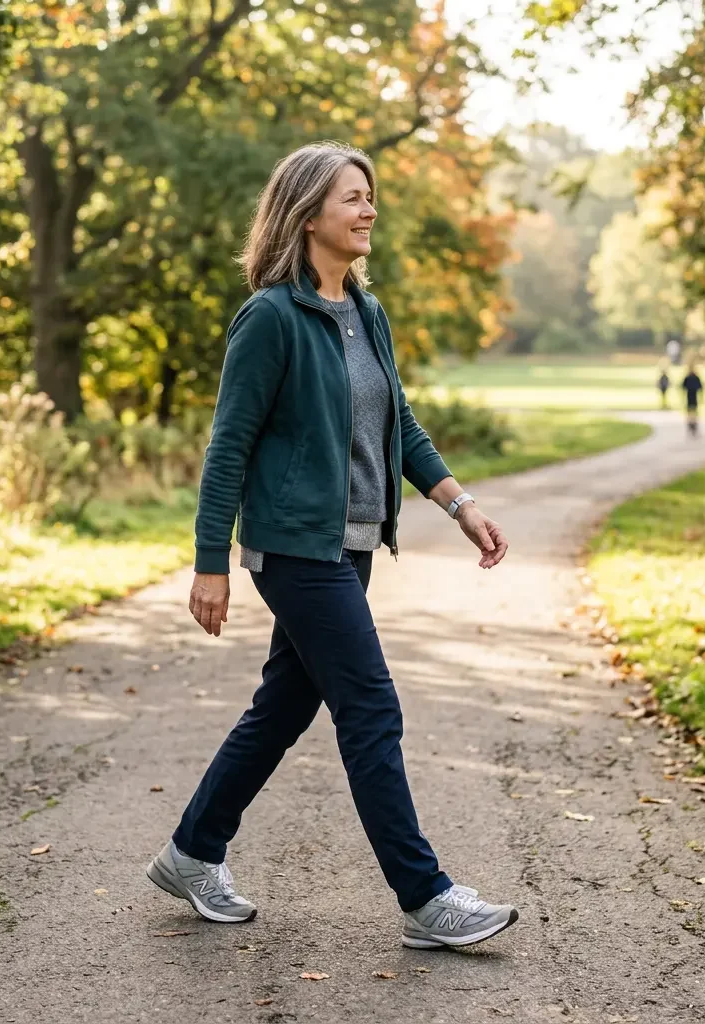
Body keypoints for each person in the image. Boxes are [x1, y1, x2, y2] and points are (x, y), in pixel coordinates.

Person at [146, 142, 519, 951]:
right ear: (307, 211)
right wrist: (212, 564)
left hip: (347, 544)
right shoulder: (271, 318)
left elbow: (399, 426)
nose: (369, 210)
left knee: (283, 706)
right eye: (353, 197)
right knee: (371, 708)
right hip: (294, 549)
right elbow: (228, 448)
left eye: (370, 195)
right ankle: (425, 899)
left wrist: (460, 505)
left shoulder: (366, 312)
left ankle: (191, 852)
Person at [681, 363, 703, 436]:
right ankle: (691, 424)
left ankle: (693, 424)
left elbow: (700, 388)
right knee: (690, 412)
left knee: (693, 412)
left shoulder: (695, 378)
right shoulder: (688, 378)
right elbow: (683, 387)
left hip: (693, 397)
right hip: (689, 397)